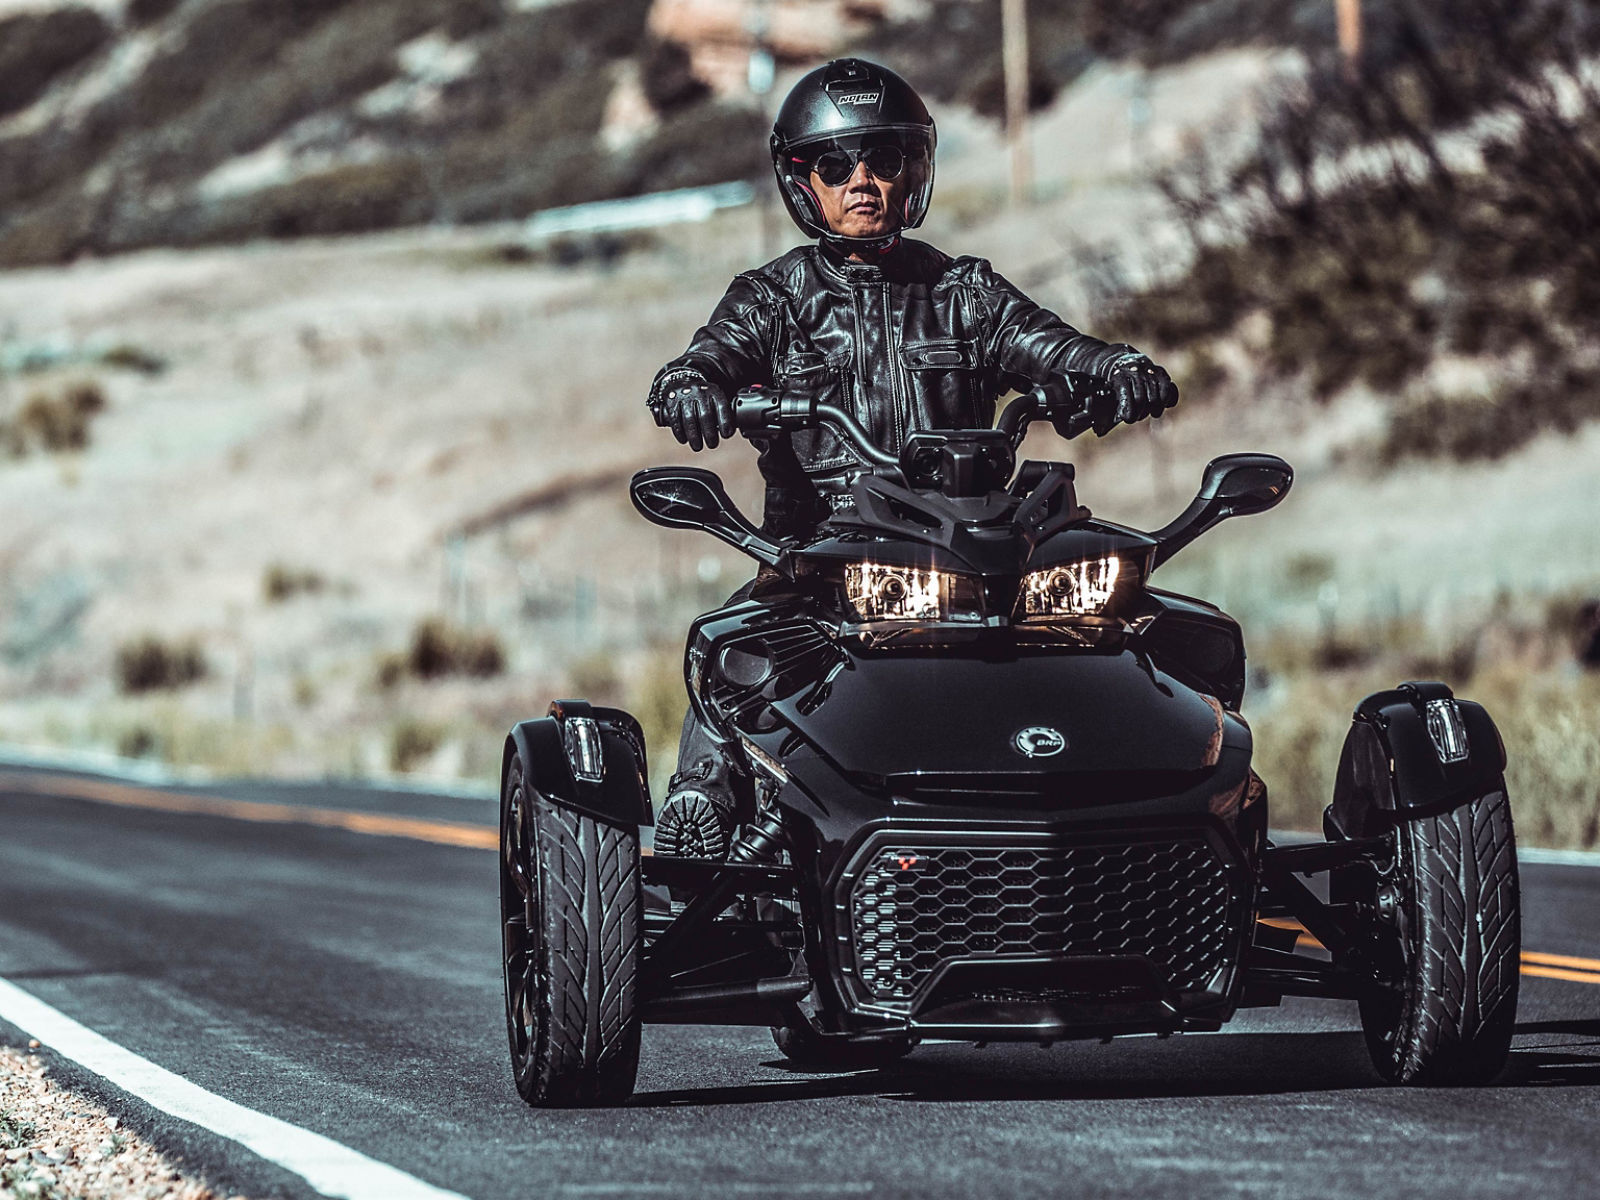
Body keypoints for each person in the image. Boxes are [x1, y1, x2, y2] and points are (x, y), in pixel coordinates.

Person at [646, 57, 1179, 857]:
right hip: (817, 561)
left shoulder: (964, 292)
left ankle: (1161, 800)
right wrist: (691, 385)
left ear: (913, 172)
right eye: (835, 164)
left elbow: (1048, 344)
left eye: (882, 160)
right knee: (732, 647)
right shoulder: (770, 299)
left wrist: (1111, 367)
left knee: (1137, 628)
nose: (861, 180)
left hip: (969, 552)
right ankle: (706, 812)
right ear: (804, 183)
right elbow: (707, 359)